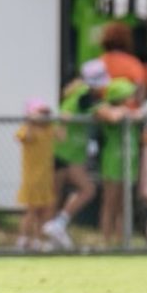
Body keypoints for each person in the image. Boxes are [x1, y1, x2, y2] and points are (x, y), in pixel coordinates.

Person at [41, 59, 106, 250]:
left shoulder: (85, 95)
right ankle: (58, 225)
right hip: (66, 153)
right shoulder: (83, 95)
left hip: (70, 152)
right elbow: (65, 115)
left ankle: (52, 237)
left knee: (56, 195)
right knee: (87, 189)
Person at [96, 78, 141, 245]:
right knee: (110, 203)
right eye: (129, 96)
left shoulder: (134, 112)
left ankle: (122, 241)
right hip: (113, 163)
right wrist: (126, 112)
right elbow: (112, 116)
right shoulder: (106, 109)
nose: (133, 98)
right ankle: (105, 241)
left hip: (130, 163)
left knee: (124, 205)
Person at [16, 98, 58, 251]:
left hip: (46, 177)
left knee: (45, 210)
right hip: (32, 178)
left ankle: (39, 240)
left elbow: (61, 136)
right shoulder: (27, 129)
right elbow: (24, 137)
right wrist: (30, 121)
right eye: (41, 113)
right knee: (31, 210)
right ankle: (23, 239)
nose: (44, 116)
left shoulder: (48, 130)